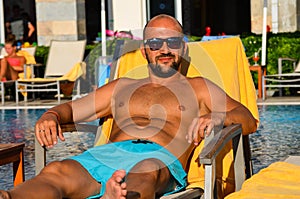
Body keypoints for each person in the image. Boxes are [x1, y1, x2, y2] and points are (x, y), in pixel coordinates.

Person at [0, 14, 257, 199]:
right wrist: (51, 114)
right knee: (56, 170)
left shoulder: (198, 87)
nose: (164, 49)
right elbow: (72, 109)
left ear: (183, 48)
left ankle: (115, 195)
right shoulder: (122, 87)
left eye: (173, 42)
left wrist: (217, 116)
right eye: (155, 43)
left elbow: (247, 118)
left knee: (142, 173)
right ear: (145, 50)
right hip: (105, 157)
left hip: (157, 161)